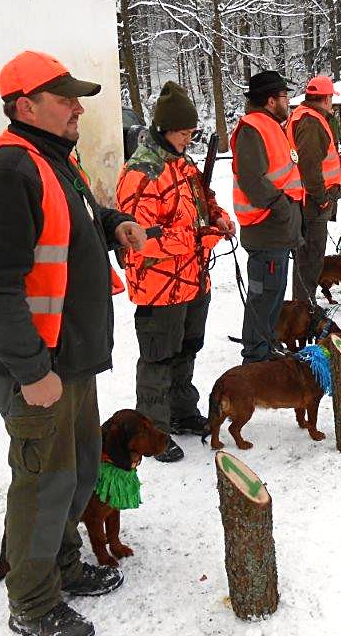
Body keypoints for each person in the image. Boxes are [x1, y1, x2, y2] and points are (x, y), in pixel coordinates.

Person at [0, 50, 148, 636]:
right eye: (65, 97)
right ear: (25, 105)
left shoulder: (51, 161)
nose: (78, 106)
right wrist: (30, 368)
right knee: (44, 485)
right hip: (37, 367)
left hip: (69, 359)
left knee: (73, 475)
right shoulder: (7, 173)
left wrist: (114, 222)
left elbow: (77, 220)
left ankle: (64, 565)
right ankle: (34, 604)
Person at [116, 81, 235, 463]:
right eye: (185, 132)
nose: (189, 138)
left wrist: (217, 216)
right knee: (158, 361)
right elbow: (142, 239)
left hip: (193, 280)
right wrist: (199, 239)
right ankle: (153, 433)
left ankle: (182, 413)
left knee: (187, 351)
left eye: (191, 132)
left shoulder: (181, 162)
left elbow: (203, 199)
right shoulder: (141, 173)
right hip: (159, 287)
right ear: (165, 129)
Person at [231, 70, 304, 362]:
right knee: (263, 298)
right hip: (265, 227)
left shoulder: (272, 126)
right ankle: (256, 356)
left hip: (277, 229)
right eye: (285, 96)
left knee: (272, 297)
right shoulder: (253, 128)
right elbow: (253, 180)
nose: (289, 102)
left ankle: (266, 346)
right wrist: (282, 206)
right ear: (271, 100)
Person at [285, 76, 341, 303]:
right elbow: (309, 166)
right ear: (326, 98)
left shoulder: (305, 117)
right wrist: (322, 199)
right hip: (313, 201)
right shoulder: (311, 122)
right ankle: (304, 308)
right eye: (331, 98)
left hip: (310, 199)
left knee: (308, 256)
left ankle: (304, 305)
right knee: (311, 257)